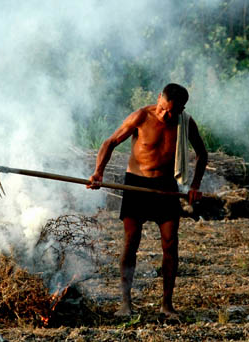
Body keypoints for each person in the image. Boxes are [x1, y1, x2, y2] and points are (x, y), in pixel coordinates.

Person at [87, 83, 207, 319]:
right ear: (158, 99)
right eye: (163, 108)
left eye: (172, 111)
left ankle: (167, 305)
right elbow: (109, 142)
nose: (166, 115)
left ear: (182, 109)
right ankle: (125, 304)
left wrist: (195, 186)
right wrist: (98, 172)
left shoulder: (185, 123)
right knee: (131, 242)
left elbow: (202, 153)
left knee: (170, 244)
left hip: (165, 187)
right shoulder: (142, 116)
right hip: (136, 184)